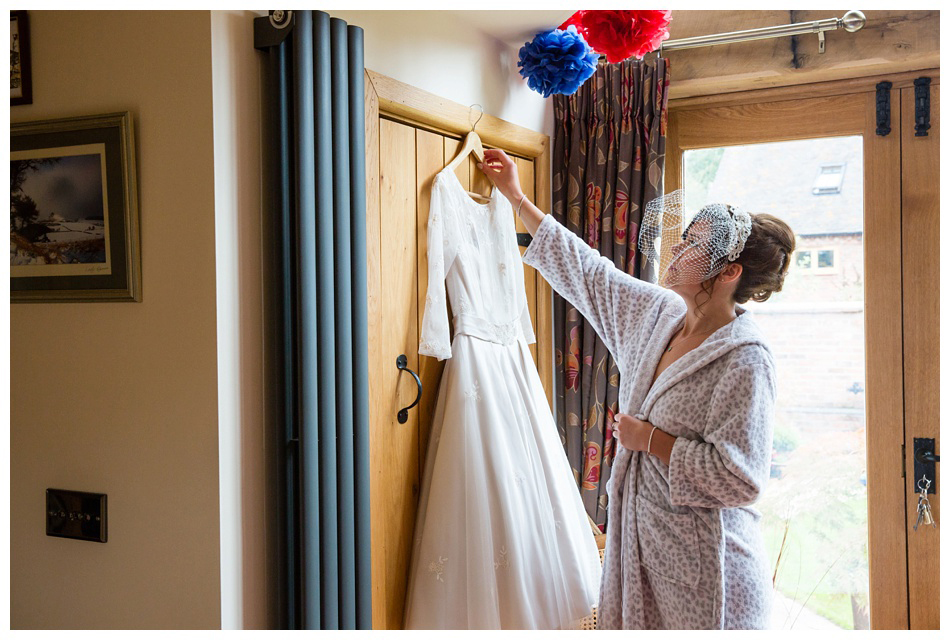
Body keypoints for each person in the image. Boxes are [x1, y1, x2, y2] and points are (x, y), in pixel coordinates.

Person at [478, 148, 795, 630]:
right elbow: (591, 275)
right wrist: (518, 198)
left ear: (729, 273)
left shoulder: (744, 359)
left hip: (713, 577)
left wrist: (650, 440)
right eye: (684, 238)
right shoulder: (658, 315)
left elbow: (742, 480)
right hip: (643, 554)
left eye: (695, 248)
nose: (677, 250)